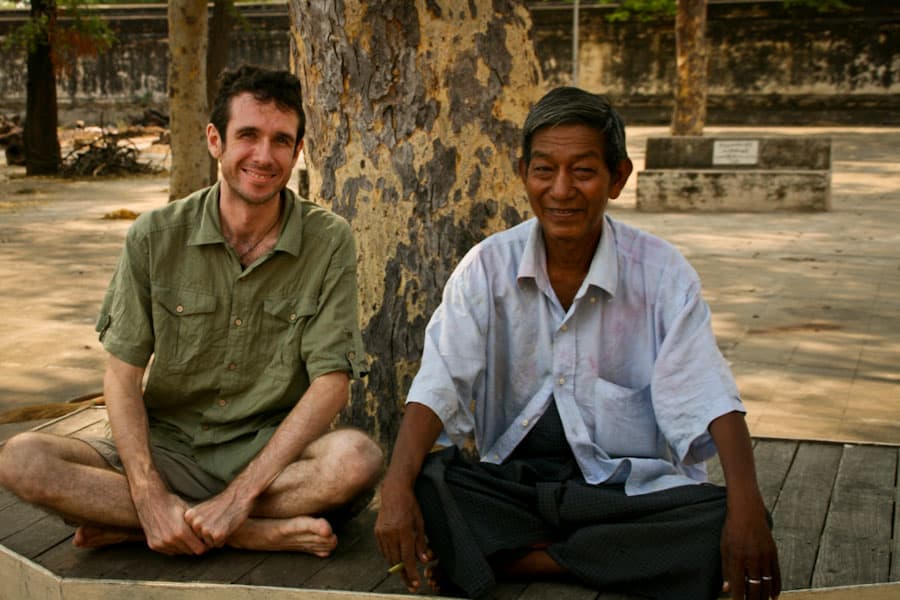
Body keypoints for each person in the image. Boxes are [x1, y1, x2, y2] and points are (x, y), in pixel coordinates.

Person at [375, 87, 780, 599]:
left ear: (618, 178)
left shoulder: (661, 272)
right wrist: (394, 489)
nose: (561, 190)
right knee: (426, 481)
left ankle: (531, 561)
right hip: (516, 487)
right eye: (544, 170)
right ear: (524, 173)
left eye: (583, 172)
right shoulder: (487, 266)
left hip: (618, 493)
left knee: (733, 515)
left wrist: (746, 509)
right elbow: (439, 380)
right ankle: (602, 559)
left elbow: (708, 392)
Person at [0, 65, 383, 557]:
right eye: (248, 135)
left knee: (356, 459)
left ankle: (148, 526)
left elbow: (331, 382)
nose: (264, 156)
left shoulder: (328, 240)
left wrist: (239, 497)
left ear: (298, 150)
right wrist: (146, 492)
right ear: (214, 140)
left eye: (281, 140)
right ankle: (243, 535)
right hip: (166, 447)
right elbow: (121, 375)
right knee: (22, 461)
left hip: (269, 459)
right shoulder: (154, 236)